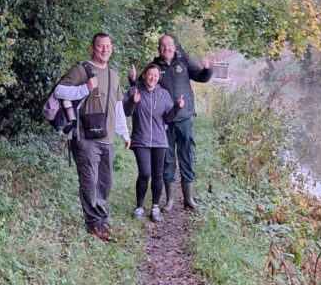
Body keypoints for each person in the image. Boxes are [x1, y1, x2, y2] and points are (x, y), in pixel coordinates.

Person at [55, 33, 130, 242]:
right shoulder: (82, 70)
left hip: (107, 138)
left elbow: (117, 106)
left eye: (107, 46)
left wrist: (124, 132)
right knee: (90, 181)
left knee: (105, 182)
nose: (104, 50)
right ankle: (93, 224)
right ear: (93, 48)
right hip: (85, 136)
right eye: (100, 46)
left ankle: (103, 219)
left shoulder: (114, 75)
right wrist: (85, 87)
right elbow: (60, 91)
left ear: (111, 48)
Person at [129, 35, 212, 210]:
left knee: (187, 155)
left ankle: (189, 198)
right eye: (163, 46)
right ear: (159, 48)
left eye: (169, 45)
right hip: (164, 122)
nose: (167, 48)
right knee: (167, 159)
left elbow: (201, 77)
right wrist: (132, 79)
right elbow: (141, 86)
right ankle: (170, 200)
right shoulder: (155, 66)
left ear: (174, 47)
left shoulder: (184, 62)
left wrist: (207, 69)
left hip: (184, 117)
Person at [123, 63, 184, 222]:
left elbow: (168, 118)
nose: (152, 78)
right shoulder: (135, 91)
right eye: (150, 75)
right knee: (144, 173)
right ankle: (139, 206)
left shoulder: (164, 94)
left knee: (158, 174)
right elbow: (126, 112)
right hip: (140, 139)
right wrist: (132, 102)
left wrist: (177, 107)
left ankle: (155, 207)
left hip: (159, 140)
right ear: (144, 75)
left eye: (156, 76)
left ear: (159, 78)